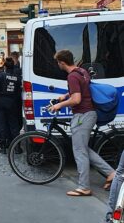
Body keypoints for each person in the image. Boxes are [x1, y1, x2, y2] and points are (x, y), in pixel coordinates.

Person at [49, 50, 114, 197]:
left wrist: (60, 105)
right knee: (82, 148)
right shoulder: (81, 71)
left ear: (62, 63)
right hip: (89, 113)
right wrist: (65, 95)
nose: (58, 65)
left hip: (82, 115)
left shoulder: (72, 76)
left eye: (58, 62)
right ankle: (111, 173)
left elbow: (76, 99)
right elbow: (83, 89)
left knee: (79, 151)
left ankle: (84, 187)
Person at [0, 58, 22, 154]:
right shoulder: (17, 77)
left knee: (1, 123)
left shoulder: (1, 76)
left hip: (1, 101)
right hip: (13, 102)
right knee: (14, 124)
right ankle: (17, 146)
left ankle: (3, 145)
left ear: (5, 66)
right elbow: (19, 91)